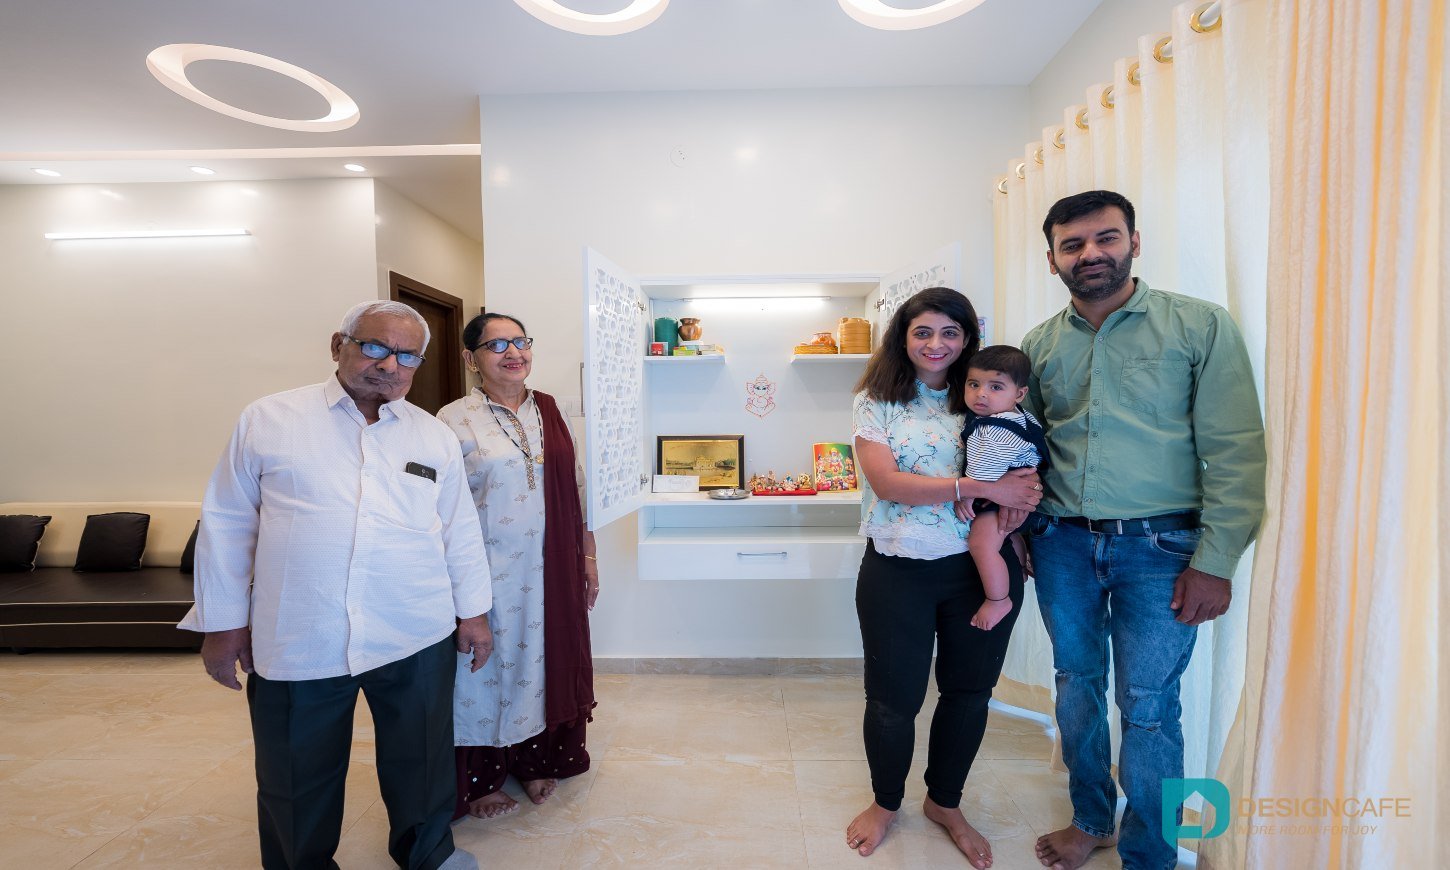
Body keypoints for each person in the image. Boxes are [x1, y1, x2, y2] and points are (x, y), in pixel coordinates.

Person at [180, 300, 494, 870]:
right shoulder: (269, 419)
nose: (390, 365)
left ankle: (428, 854)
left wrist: (473, 614)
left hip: (415, 628)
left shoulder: (432, 437)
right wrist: (222, 624)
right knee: (295, 770)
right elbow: (226, 524)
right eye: (374, 347)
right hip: (301, 631)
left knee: (421, 761)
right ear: (338, 345)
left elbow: (458, 531)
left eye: (407, 355)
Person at [1020, 191, 1266, 870]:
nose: (1091, 253)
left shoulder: (1199, 326)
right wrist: (1018, 531)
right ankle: (1092, 818)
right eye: (1073, 245)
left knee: (1150, 707)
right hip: (1062, 543)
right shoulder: (1040, 346)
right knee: (1075, 687)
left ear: (1134, 241)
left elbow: (1236, 448)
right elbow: (1027, 450)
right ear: (1052, 260)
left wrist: (1216, 559)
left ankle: (1150, 855)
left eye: (1105, 238)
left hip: (1161, 549)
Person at [845, 287, 1045, 868]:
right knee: (891, 700)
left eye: (950, 333)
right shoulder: (876, 400)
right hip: (897, 565)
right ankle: (886, 803)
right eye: (924, 332)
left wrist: (1020, 516)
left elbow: (1025, 474)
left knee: (968, 692)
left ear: (967, 340)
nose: (937, 344)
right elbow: (887, 483)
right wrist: (983, 489)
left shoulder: (986, 395)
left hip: (980, 572)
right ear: (903, 338)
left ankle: (944, 803)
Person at [437, 313, 599, 820]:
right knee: (481, 670)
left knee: (540, 664)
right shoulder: (452, 419)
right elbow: (442, 506)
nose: (513, 353)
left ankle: (533, 759)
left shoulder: (550, 411)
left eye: (521, 342)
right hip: (484, 570)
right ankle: (481, 777)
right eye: (496, 345)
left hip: (551, 569)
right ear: (471, 359)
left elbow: (577, 489)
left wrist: (588, 555)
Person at [960, 345, 1048, 632]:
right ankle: (1018, 555)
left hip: (997, 496)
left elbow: (982, 474)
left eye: (995, 386)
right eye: (974, 384)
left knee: (981, 545)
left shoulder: (993, 429)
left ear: (1019, 393)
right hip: (1015, 494)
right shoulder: (1018, 415)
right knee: (1006, 536)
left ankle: (998, 599)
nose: (981, 394)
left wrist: (966, 496)